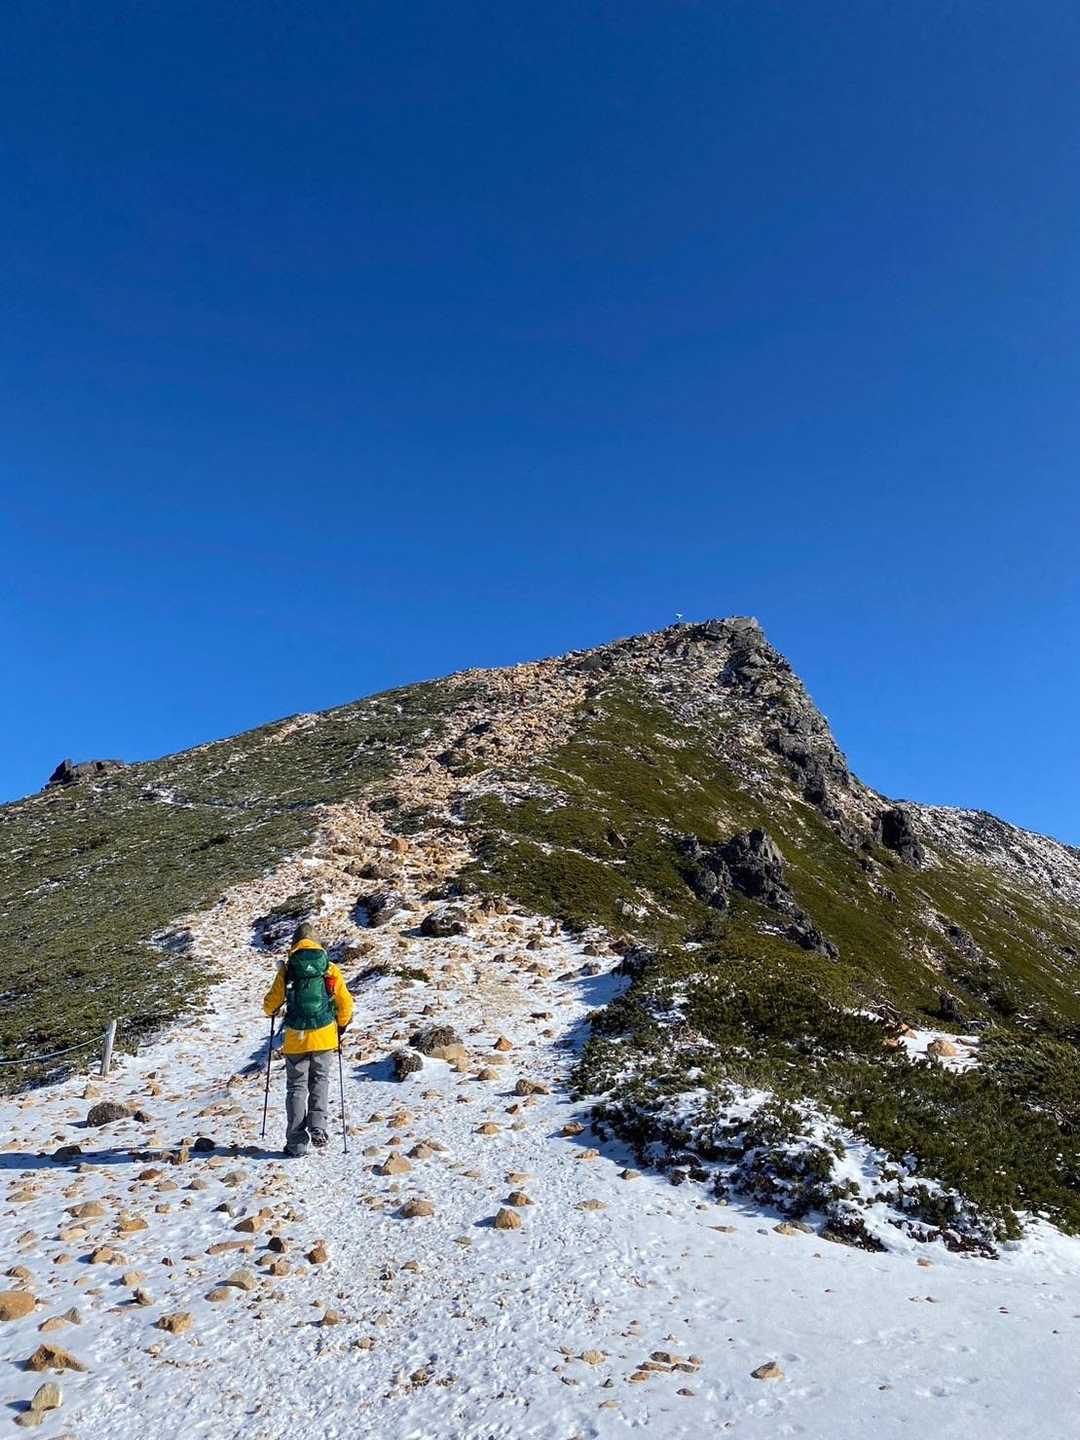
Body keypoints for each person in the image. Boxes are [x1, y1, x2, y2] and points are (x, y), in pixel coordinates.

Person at [262, 922, 354, 1157]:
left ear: (295, 943)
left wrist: (272, 1008)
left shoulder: (288, 969)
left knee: (296, 1087)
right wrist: (341, 1026)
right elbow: (345, 1003)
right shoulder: (329, 968)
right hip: (324, 1036)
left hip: (296, 1038)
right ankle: (318, 1126)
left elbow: (270, 1005)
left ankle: (296, 1144)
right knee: (320, 1081)